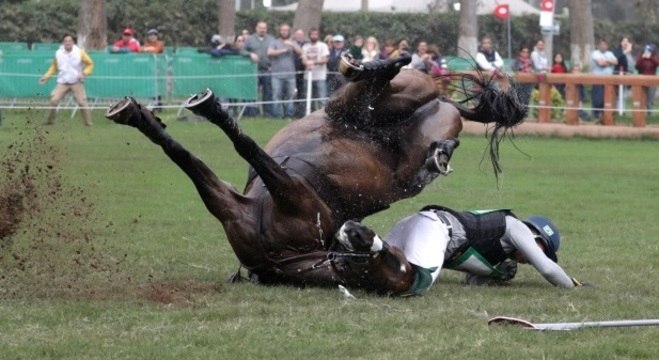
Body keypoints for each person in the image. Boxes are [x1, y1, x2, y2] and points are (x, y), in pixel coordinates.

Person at [373, 206, 580, 294]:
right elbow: (548, 270)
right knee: (419, 283)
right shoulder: (517, 227)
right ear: (534, 235)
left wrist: (493, 275)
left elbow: (471, 280)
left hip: (421, 225)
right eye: (542, 250)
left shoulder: (502, 248)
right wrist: (572, 286)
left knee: (375, 270)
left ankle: (365, 241)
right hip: (435, 229)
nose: (533, 259)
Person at [39, 34, 94, 126]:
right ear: (63, 42)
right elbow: (54, 67)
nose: (68, 43)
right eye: (66, 41)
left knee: (82, 102)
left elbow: (90, 64)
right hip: (62, 82)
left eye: (70, 41)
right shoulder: (58, 53)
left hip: (76, 81)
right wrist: (46, 76)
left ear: (73, 42)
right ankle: (50, 122)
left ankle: (88, 123)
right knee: (54, 100)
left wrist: (84, 73)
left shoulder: (80, 52)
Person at [267, 23, 301, 119]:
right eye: (282, 30)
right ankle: (277, 116)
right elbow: (269, 52)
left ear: (289, 31)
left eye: (286, 30)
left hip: (290, 75)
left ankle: (288, 116)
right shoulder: (274, 42)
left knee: (290, 97)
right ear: (280, 31)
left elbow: (300, 52)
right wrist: (284, 50)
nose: (284, 32)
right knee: (276, 96)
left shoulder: (292, 42)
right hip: (277, 75)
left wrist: (293, 45)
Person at [244, 20, 276, 117]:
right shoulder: (250, 39)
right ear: (256, 28)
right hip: (254, 71)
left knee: (268, 93)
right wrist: (250, 54)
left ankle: (268, 113)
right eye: (260, 28)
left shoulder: (272, 39)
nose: (262, 30)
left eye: (264, 28)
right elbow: (242, 50)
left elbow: (275, 53)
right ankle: (252, 113)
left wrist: (272, 65)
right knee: (253, 92)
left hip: (267, 70)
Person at [300, 28, 329, 111]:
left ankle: (322, 115)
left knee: (322, 98)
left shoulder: (323, 45)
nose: (314, 36)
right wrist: (307, 63)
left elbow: (325, 59)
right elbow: (303, 60)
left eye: (316, 34)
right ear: (309, 35)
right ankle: (311, 116)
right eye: (312, 34)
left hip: (320, 77)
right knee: (309, 97)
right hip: (308, 76)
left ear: (318, 35)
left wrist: (313, 63)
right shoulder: (305, 47)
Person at [590, 39, 618, 120]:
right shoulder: (595, 53)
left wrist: (606, 61)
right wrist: (610, 62)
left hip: (609, 81)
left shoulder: (610, 53)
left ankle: (606, 116)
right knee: (597, 100)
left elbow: (616, 62)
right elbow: (600, 63)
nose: (603, 46)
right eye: (601, 45)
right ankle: (596, 116)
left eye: (605, 45)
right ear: (598, 46)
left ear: (607, 46)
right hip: (597, 80)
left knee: (607, 100)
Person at [635, 44, 659, 116]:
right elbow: (637, 66)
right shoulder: (641, 57)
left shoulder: (654, 57)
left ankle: (649, 113)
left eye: (649, 51)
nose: (648, 52)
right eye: (646, 50)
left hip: (651, 80)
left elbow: (657, 63)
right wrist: (643, 58)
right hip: (642, 79)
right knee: (642, 97)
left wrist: (651, 58)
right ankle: (641, 113)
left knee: (650, 98)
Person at [292, 28, 308, 118]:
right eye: (297, 34)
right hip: (292, 72)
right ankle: (293, 111)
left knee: (302, 93)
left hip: (303, 73)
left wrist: (294, 45)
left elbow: (302, 53)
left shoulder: (306, 44)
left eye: (300, 35)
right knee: (292, 94)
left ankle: (301, 112)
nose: (299, 36)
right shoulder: (289, 43)